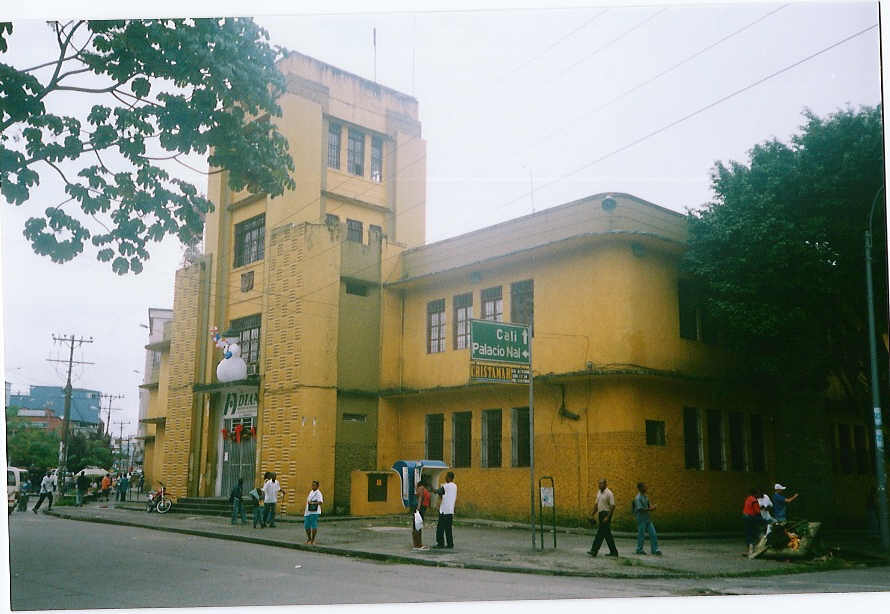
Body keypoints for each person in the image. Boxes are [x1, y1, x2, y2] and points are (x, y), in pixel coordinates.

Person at [588, 478, 619, 557]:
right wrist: (592, 514)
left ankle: (594, 550)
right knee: (607, 535)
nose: (599, 485)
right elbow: (596, 505)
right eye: (599, 483)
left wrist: (607, 517)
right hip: (600, 514)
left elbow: (612, 506)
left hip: (606, 514)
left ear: (605, 484)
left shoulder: (609, 493)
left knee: (600, 533)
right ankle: (614, 552)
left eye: (601, 483)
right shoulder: (599, 492)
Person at [633, 482, 661, 555]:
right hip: (641, 519)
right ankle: (639, 549)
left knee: (653, 534)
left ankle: (655, 549)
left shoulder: (645, 496)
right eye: (644, 487)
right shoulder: (638, 498)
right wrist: (650, 509)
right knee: (641, 535)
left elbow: (648, 505)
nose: (646, 488)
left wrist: (652, 507)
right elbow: (640, 509)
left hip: (647, 518)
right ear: (640, 488)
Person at [432, 471, 457, 549]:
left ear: (449, 477)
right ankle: (450, 544)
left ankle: (440, 543)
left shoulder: (446, 486)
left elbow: (438, 491)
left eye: (446, 476)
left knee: (440, 528)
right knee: (448, 529)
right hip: (450, 510)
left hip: (444, 510)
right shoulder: (455, 486)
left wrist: (431, 488)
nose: (445, 478)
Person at [412, 479, 431, 550]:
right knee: (417, 527)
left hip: (421, 509)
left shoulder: (422, 489)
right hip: (420, 509)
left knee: (418, 526)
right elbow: (420, 499)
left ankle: (417, 544)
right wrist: (418, 509)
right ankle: (417, 544)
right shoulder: (422, 488)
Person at [742, 488, 761, 556]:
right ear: (755, 494)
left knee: (748, 533)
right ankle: (752, 550)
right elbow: (757, 511)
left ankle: (749, 550)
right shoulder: (754, 500)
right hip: (751, 518)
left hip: (745, 517)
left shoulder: (748, 499)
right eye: (758, 493)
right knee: (753, 533)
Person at [304, 480, 323, 544]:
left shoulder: (318, 493)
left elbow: (320, 502)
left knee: (313, 525)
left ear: (317, 486)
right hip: (308, 511)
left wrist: (313, 503)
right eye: (312, 485)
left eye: (314, 485)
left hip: (314, 511)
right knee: (306, 525)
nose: (313, 486)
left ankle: (313, 540)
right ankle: (309, 538)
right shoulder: (311, 492)